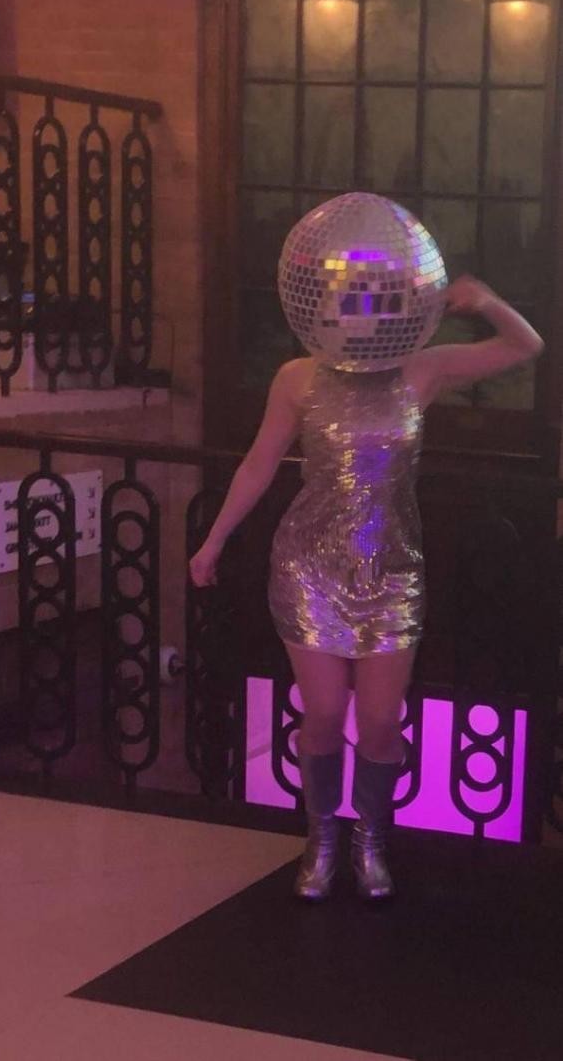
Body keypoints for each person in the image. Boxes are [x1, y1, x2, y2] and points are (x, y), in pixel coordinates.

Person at [189, 195, 543, 904]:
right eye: (348, 298)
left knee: (381, 721)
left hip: (392, 569)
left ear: (397, 305)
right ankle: (322, 838)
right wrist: (214, 539)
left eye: (376, 297)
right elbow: (259, 463)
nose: (361, 310)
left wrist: (485, 301)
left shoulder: (424, 369)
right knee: (322, 714)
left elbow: (524, 347)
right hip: (310, 565)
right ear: (324, 306)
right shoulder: (297, 378)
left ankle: (371, 838)